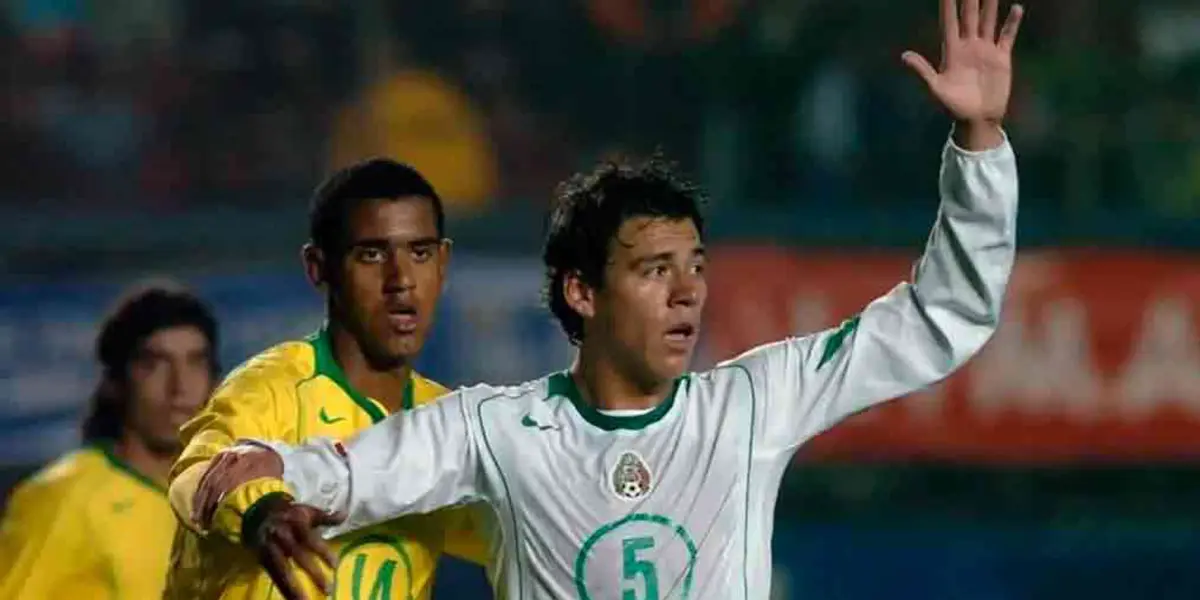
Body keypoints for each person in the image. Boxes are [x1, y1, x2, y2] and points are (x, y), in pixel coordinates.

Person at [192, 0, 1025, 597]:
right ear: (582, 291)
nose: (688, 291)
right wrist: (255, 491)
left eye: (695, 265)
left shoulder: (751, 406)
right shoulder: (495, 432)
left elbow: (941, 317)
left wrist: (979, 141)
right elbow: (312, 472)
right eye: (654, 269)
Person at [163, 158, 489, 600]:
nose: (401, 280)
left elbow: (521, 522)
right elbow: (196, 476)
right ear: (319, 267)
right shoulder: (271, 387)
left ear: (443, 261)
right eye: (372, 254)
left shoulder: (445, 423)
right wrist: (262, 511)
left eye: (420, 252)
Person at [0, 283, 220, 598]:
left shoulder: (226, 504)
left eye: (195, 363)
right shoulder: (64, 498)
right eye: (154, 364)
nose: (179, 386)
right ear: (115, 381)